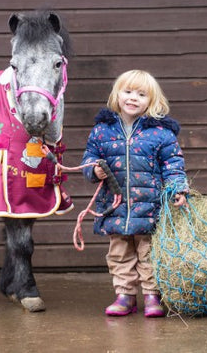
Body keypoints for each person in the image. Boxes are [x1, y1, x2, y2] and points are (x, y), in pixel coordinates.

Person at [81, 70, 189, 317]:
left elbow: (173, 164)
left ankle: (152, 295)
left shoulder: (161, 133)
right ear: (117, 95)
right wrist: (94, 170)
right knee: (119, 253)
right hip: (114, 204)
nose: (133, 98)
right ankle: (125, 296)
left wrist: (178, 189)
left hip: (149, 206)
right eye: (127, 92)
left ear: (151, 100)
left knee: (149, 252)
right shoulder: (102, 130)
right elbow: (90, 157)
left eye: (141, 94)